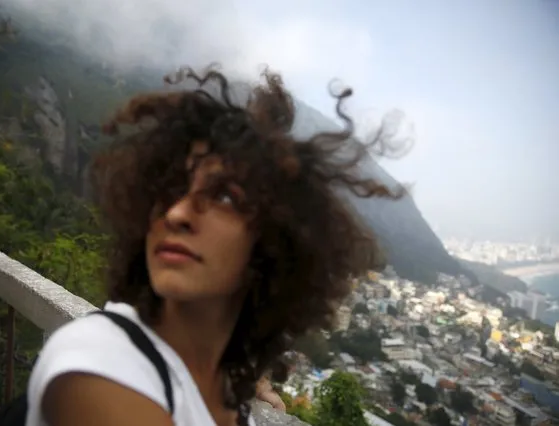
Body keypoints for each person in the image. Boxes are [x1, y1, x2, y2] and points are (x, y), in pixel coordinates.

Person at [24, 65, 404, 426]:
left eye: (224, 197)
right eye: (171, 188)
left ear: (274, 241)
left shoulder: (228, 394)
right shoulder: (98, 363)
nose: (176, 213)